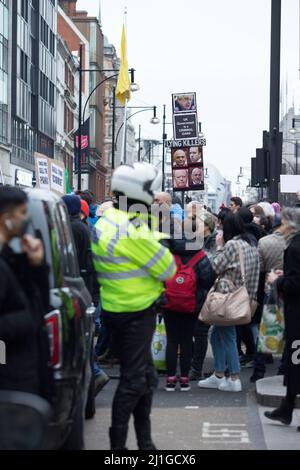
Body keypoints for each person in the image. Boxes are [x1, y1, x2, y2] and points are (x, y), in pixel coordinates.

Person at [91, 162, 176, 450]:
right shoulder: (134, 229)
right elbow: (167, 269)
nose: (154, 199)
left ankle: (145, 442)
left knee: (146, 376)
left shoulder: (108, 219)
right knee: (134, 381)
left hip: (116, 307)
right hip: (136, 310)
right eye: (151, 192)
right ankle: (119, 447)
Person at [0, 186, 53, 400]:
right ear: (6, 219)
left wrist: (37, 265)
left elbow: (41, 302)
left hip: (21, 374)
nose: (26, 219)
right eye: (22, 213)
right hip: (9, 379)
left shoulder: (12, 256)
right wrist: (27, 318)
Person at [198, 212, 259, 392]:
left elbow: (214, 268)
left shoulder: (232, 245)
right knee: (216, 334)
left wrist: (218, 247)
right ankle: (218, 375)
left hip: (228, 299)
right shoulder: (250, 244)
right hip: (244, 298)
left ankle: (233, 377)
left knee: (228, 335)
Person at [163, 218, 215, 391]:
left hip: (169, 303)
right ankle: (185, 379)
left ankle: (170, 378)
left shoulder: (169, 252)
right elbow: (208, 280)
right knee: (186, 340)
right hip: (192, 304)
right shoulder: (200, 254)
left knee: (171, 340)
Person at [264, 208, 300, 428]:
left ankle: (287, 407)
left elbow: (296, 284)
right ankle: (286, 407)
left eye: (283, 223)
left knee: (296, 361)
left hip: (297, 316)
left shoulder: (295, 248)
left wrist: (276, 282)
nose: (280, 227)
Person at [250, 217, 286, 382]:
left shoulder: (264, 242)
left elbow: (260, 268)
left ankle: (259, 369)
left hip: (270, 290)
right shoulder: (292, 241)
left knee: (268, 330)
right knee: (292, 332)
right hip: (291, 291)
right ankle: (284, 368)